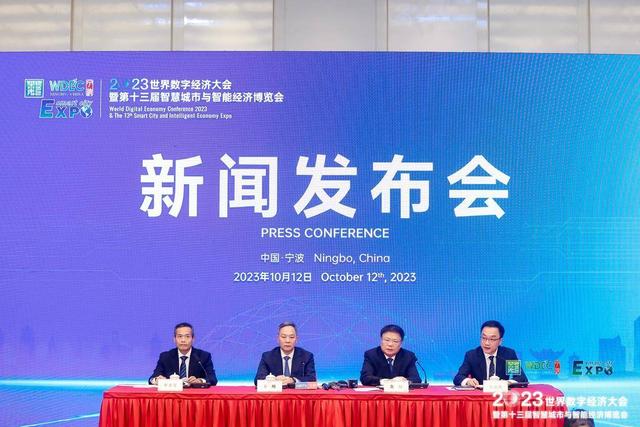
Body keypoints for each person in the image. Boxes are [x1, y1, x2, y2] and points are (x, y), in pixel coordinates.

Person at [453, 320, 528, 386]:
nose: (487, 343)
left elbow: (521, 378)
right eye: (484, 338)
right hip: (480, 395)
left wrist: (508, 382)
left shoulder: (508, 354)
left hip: (501, 394)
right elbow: (458, 377)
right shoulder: (472, 355)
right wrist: (468, 381)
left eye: (492, 339)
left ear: (500, 341)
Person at [149, 322, 217, 385]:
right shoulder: (165, 357)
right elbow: (152, 378)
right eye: (180, 336)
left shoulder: (203, 356)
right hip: (173, 393)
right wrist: (156, 380)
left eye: (187, 336)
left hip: (193, 393)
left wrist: (200, 381)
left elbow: (212, 379)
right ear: (174, 339)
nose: (183, 340)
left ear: (193, 339)